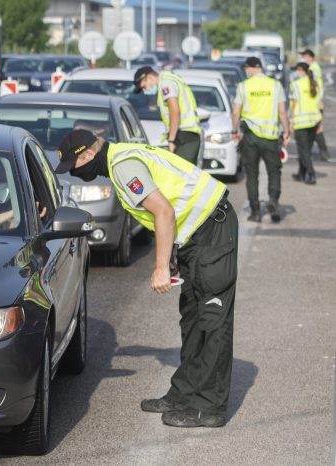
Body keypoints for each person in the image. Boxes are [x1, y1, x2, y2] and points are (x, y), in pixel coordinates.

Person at [55, 129, 238, 428]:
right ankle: (184, 393)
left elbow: (163, 212)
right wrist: (174, 252)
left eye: (73, 168)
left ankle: (209, 407)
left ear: (87, 156)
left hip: (212, 231)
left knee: (212, 320)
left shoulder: (123, 167)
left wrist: (160, 266)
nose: (75, 175)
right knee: (192, 318)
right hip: (196, 236)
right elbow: (169, 211)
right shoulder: (121, 159)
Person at [231, 57, 290, 223]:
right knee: (274, 172)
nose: (246, 72)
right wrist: (286, 131)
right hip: (271, 138)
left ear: (252, 68)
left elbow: (236, 112)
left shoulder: (243, 86)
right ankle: (273, 201)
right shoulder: (275, 85)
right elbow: (282, 113)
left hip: (250, 138)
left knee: (252, 175)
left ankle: (256, 212)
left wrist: (234, 131)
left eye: (246, 69)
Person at [133, 66, 202, 165]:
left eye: (144, 87)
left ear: (149, 78)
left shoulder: (166, 83)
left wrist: (171, 140)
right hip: (186, 134)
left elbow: (174, 111)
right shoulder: (169, 79)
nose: (144, 91)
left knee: (181, 175)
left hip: (184, 135)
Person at [290, 62, 323, 185]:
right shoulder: (315, 84)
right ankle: (301, 173)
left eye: (297, 70)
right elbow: (320, 104)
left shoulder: (296, 85)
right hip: (314, 122)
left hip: (300, 122)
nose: (296, 73)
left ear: (301, 70)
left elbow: (294, 105)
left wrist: (291, 122)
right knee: (305, 150)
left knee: (303, 151)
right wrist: (320, 122)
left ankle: (311, 173)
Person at [300, 49, 330, 161]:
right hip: (315, 101)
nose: (303, 59)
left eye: (304, 57)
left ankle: (321, 151)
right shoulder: (314, 68)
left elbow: (314, 87)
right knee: (315, 128)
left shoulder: (313, 69)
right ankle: (319, 151)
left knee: (315, 128)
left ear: (310, 57)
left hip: (314, 102)